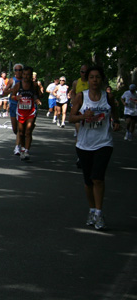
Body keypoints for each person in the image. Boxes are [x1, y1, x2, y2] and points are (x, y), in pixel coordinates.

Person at [68, 66, 120, 230]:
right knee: (88, 181)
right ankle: (92, 209)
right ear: (88, 80)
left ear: (102, 79)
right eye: (91, 77)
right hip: (84, 144)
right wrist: (84, 116)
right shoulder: (81, 97)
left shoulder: (108, 97)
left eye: (97, 77)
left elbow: (114, 111)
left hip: (104, 142)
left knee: (98, 178)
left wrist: (116, 121)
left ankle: (98, 213)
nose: (95, 80)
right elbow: (71, 117)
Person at [10, 66, 41, 160]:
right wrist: (16, 98)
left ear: (31, 75)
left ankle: (27, 151)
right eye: (24, 74)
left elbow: (38, 95)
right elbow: (12, 96)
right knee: (21, 132)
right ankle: (22, 148)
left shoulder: (34, 85)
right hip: (20, 111)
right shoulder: (18, 85)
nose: (26, 76)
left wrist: (37, 99)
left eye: (28, 75)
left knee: (28, 131)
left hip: (30, 111)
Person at [3, 63, 24, 155]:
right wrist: (12, 90)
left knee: (20, 128)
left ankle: (18, 146)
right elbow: (4, 92)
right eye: (16, 70)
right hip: (13, 104)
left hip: (23, 106)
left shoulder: (25, 80)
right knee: (15, 128)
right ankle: (20, 138)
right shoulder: (12, 80)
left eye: (20, 70)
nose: (18, 72)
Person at [70, 64, 90, 138]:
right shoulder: (76, 82)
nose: (84, 74)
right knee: (80, 131)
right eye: (82, 72)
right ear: (80, 72)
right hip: (79, 107)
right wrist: (73, 100)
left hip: (89, 107)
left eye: (86, 72)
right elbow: (73, 92)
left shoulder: (91, 82)